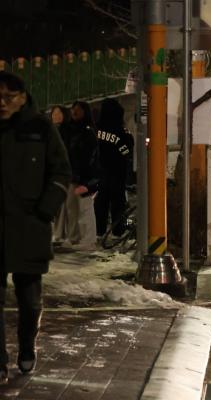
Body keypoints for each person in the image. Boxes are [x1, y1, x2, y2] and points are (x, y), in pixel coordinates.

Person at [0, 71, 71, 383]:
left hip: (29, 226)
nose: (2, 103)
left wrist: (45, 211)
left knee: (30, 301)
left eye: (8, 97)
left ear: (23, 96)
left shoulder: (40, 128)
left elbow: (61, 171)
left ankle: (27, 345)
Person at [63, 101, 101, 249]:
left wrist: (85, 179)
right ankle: (73, 237)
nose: (74, 113)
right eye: (73, 110)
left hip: (85, 177)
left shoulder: (88, 132)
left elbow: (90, 157)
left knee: (85, 208)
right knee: (71, 208)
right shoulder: (68, 130)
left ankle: (88, 239)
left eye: (78, 110)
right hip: (71, 175)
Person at [94, 98, 133, 239]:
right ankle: (118, 231)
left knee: (100, 203)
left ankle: (100, 231)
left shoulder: (96, 130)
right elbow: (127, 152)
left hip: (100, 172)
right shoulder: (122, 133)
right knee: (118, 203)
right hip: (118, 172)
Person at [49, 106, 72, 243]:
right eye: (54, 113)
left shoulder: (66, 131)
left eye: (59, 113)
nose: (56, 116)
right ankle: (58, 233)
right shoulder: (50, 130)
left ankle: (61, 233)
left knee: (62, 205)